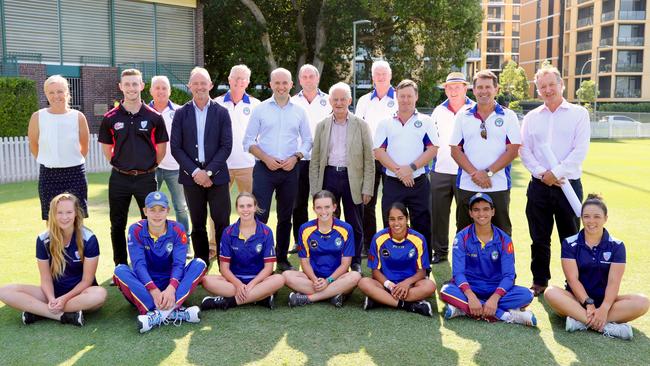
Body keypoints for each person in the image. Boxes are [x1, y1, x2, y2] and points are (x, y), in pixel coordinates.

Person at [520, 66, 590, 296]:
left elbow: (580, 150)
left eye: (551, 85)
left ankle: (574, 284)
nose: (548, 90)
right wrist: (542, 173)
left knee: (570, 239)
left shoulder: (579, 114)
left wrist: (556, 172)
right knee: (538, 237)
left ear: (561, 85)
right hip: (539, 186)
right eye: (543, 86)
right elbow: (524, 150)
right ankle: (539, 280)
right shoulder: (531, 118)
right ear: (538, 90)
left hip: (567, 186)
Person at [544, 194, 649, 340]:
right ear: (581, 218)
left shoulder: (617, 246)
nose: (591, 221)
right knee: (550, 292)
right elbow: (572, 280)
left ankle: (581, 322)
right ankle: (605, 326)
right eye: (586, 216)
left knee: (643, 302)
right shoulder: (569, 243)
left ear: (605, 218)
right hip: (576, 302)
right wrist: (589, 304)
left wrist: (604, 308)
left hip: (607, 303)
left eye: (597, 217)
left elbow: (614, 282)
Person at [243, 67, 312, 272]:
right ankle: (257, 257)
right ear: (270, 84)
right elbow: (247, 141)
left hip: (290, 170)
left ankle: (281, 258)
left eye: (285, 83)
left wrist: (296, 157)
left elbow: (308, 140)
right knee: (260, 216)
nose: (281, 87)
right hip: (265, 169)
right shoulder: (260, 109)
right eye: (277, 83)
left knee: (285, 216)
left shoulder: (299, 111)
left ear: (292, 85)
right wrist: (265, 158)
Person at [0, 193, 106, 326]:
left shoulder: (89, 238)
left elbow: (87, 280)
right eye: (59, 213)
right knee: (4, 291)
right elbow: (45, 279)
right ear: (52, 215)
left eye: (69, 212)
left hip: (80, 294)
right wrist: (51, 298)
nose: (64, 217)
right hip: (52, 293)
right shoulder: (43, 239)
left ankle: (38, 311)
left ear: (76, 214)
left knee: (99, 295)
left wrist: (64, 299)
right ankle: (64, 316)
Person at [99, 69, 168, 266]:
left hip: (146, 178)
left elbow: (161, 149)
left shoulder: (154, 116)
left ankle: (150, 264)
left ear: (142, 86)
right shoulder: (110, 117)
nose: (131, 88)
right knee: (117, 224)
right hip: (119, 178)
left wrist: (151, 166)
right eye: (127, 84)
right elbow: (106, 148)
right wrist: (118, 164)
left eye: (135, 84)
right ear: (121, 87)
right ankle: (120, 265)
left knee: (151, 223)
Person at [113, 191, 207, 333]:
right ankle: (175, 312)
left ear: (168, 211)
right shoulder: (136, 230)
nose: (157, 214)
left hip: (171, 285)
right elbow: (139, 265)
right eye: (152, 210)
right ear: (145, 211)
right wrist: (153, 290)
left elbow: (178, 263)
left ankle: (156, 315)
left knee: (199, 264)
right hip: (146, 286)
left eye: (161, 210)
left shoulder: (177, 229)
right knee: (120, 270)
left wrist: (171, 288)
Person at [440, 193, 537, 326]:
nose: (481, 213)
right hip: (471, 287)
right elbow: (458, 273)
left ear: (493, 211)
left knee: (526, 295)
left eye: (486, 209)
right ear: (470, 213)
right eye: (476, 210)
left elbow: (509, 275)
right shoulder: (461, 237)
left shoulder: (504, 239)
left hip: (495, 288)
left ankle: (463, 309)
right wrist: (470, 295)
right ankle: (505, 315)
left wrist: (495, 298)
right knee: (446, 291)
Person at [309, 82, 374, 273]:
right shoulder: (322, 126)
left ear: (349, 100)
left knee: (355, 223)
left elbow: (369, 160)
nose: (339, 103)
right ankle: (333, 260)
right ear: (330, 101)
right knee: (328, 220)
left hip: (352, 178)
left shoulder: (361, 125)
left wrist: (368, 188)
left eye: (342, 99)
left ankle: (354, 262)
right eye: (335, 99)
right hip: (329, 176)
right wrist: (315, 191)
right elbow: (315, 160)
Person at [171, 67, 233, 264]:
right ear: (190, 86)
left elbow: (226, 146)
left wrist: (208, 172)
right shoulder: (180, 114)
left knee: (222, 222)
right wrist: (196, 172)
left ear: (211, 85)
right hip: (191, 178)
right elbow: (176, 147)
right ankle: (201, 263)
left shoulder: (222, 113)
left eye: (203, 83)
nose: (200, 87)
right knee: (197, 224)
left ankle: (226, 262)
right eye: (195, 83)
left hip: (218, 177)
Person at [450, 70, 521, 236]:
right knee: (464, 234)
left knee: (501, 233)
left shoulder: (509, 116)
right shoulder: (462, 116)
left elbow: (513, 150)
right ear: (473, 90)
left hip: (498, 185)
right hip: (467, 184)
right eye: (479, 87)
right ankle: (466, 263)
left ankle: (501, 263)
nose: (484, 91)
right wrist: (476, 174)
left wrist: (488, 173)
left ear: (496, 89)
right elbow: (455, 150)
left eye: (488, 87)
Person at [373, 79, 438, 251]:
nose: (405, 100)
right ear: (396, 97)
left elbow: (432, 149)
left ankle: (423, 267)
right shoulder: (385, 122)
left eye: (409, 96)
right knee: (391, 222)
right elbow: (379, 152)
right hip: (393, 182)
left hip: (419, 181)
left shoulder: (426, 121)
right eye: (402, 96)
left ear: (416, 97)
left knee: (422, 222)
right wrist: (400, 171)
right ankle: (389, 259)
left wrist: (410, 169)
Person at [200, 192, 285, 310]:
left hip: (259, 280)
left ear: (255, 207)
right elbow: (224, 268)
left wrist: (250, 285)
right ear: (237, 208)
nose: (246, 210)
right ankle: (260, 297)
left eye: (249, 206)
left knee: (280, 279)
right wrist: (239, 284)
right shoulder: (228, 232)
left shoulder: (266, 231)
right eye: (242, 206)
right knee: (206, 280)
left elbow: (268, 268)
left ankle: (229, 302)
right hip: (234, 281)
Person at [211, 65, 260, 258]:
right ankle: (214, 246)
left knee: (250, 207)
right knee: (217, 209)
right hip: (221, 165)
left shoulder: (256, 105)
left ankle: (252, 241)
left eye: (243, 79)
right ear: (229, 79)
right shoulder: (215, 103)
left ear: (248, 82)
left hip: (248, 165)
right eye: (235, 78)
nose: (239, 82)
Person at [283, 190, 361, 307]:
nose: (323, 211)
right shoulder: (305, 229)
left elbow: (345, 264)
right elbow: (305, 262)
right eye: (319, 208)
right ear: (314, 209)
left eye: (327, 207)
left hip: (336, 278)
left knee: (355, 276)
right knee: (286, 276)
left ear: (334, 207)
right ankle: (334, 294)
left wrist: (328, 281)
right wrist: (315, 280)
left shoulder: (346, 228)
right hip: (312, 279)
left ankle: (308, 298)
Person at [28, 75, 90, 221]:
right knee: (52, 221)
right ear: (46, 95)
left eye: (60, 91)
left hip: (75, 174)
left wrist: (69, 160)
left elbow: (84, 146)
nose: (56, 96)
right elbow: (34, 145)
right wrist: (51, 161)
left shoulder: (78, 117)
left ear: (67, 93)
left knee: (76, 219)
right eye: (51, 92)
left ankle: (78, 245)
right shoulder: (37, 117)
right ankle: (55, 245)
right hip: (48, 175)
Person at [357, 202, 436, 316]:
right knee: (363, 282)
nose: (396, 223)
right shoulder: (378, 238)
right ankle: (409, 305)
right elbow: (375, 271)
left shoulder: (418, 239)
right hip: (385, 285)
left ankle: (381, 300)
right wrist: (389, 285)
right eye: (392, 219)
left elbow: (422, 272)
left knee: (430, 286)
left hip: (409, 286)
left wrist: (406, 283)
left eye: (400, 218)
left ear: (407, 219)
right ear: (388, 221)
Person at [429, 72, 475, 264]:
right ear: (445, 89)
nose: (454, 91)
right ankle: (440, 252)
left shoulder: (475, 109)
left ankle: (462, 251)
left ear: (466, 88)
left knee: (464, 215)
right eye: (450, 87)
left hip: (466, 171)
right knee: (438, 214)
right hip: (440, 170)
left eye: (458, 87)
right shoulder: (438, 111)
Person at [355, 60, 398, 257]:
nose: (380, 77)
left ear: (390, 76)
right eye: (377, 74)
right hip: (368, 159)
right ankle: (368, 245)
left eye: (384, 73)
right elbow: (357, 129)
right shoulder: (364, 101)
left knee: (391, 203)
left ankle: (391, 242)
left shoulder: (399, 98)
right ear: (372, 77)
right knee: (367, 202)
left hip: (392, 159)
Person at [289, 64, 332, 254]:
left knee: (324, 201)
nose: (307, 80)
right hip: (298, 159)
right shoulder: (291, 102)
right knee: (298, 203)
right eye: (304, 77)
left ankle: (328, 237)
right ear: (299, 81)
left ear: (317, 79)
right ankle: (299, 242)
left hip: (323, 161)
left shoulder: (328, 101)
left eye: (311, 76)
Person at [148, 75, 191, 253]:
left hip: (175, 167)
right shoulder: (143, 111)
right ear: (150, 90)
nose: (160, 91)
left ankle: (185, 244)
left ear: (170, 91)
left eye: (164, 88)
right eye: (157, 88)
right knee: (150, 206)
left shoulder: (180, 111)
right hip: (151, 168)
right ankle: (150, 243)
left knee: (181, 207)